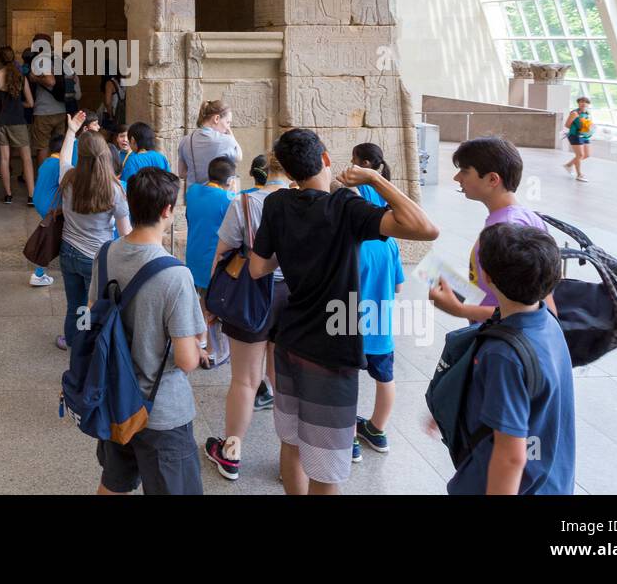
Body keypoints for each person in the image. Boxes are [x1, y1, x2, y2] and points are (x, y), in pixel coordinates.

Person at [247, 129, 438, 495]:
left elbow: (258, 268)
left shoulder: (276, 204)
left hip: (288, 341)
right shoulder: (345, 208)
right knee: (327, 464)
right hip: (332, 353)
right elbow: (426, 229)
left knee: (291, 442)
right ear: (326, 159)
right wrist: (374, 177)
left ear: (287, 173)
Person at [93, 167, 206, 495]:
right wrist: (200, 347)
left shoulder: (105, 254)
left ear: (128, 201)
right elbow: (186, 361)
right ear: (168, 210)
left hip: (116, 399)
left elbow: (91, 318)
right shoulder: (175, 275)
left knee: (113, 483)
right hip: (162, 411)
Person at [447, 222, 575, 495]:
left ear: (489, 278)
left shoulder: (504, 355)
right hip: (550, 481)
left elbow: (511, 456)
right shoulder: (546, 319)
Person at [203, 153, 292, 482]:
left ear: (265, 170)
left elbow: (222, 254)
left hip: (250, 296)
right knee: (282, 378)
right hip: (293, 298)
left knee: (244, 379)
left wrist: (213, 302)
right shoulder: (306, 203)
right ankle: (290, 459)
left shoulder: (244, 204)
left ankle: (232, 453)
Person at [428, 137, 555, 325]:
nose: (457, 178)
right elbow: (544, 299)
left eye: (464, 171)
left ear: (492, 179)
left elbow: (524, 309)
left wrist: (458, 309)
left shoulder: (506, 230)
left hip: (502, 338)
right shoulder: (525, 217)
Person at [348, 143, 405, 461]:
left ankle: (350, 437)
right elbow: (398, 287)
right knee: (385, 378)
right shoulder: (390, 244)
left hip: (347, 324)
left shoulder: (353, 246)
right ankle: (377, 429)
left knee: (348, 380)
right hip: (380, 327)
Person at [57, 110, 131, 351]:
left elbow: (63, 158)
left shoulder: (68, 179)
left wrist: (71, 131)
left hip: (68, 251)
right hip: (96, 257)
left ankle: (73, 341)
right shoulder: (114, 189)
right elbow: (126, 233)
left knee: (75, 305)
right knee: (94, 305)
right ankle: (89, 347)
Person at [183, 155, 236, 370]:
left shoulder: (193, 191)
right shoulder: (227, 200)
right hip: (212, 261)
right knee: (212, 305)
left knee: (200, 301)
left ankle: (200, 340)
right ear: (230, 178)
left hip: (193, 254)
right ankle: (215, 352)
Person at [0, 46, 36, 206]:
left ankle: (8, 195)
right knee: (27, 159)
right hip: (19, 121)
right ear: (13, 58)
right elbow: (31, 103)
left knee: (4, 159)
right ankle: (31, 196)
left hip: (2, 121)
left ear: (0, 59)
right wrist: (17, 104)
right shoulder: (22, 77)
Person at [26, 133, 64, 289]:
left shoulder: (47, 162)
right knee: (53, 238)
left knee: (54, 235)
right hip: (52, 207)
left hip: (40, 203)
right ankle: (38, 273)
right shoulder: (60, 164)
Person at [29, 33, 71, 168]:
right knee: (58, 146)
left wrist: (35, 78)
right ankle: (57, 174)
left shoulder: (41, 60)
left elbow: (50, 81)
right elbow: (73, 77)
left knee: (42, 146)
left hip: (44, 111)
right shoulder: (59, 59)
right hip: (60, 109)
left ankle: (43, 178)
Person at [177, 100, 242, 185]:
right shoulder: (226, 141)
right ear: (216, 118)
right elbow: (239, 157)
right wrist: (231, 135)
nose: (228, 127)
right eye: (228, 122)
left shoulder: (186, 140)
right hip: (216, 196)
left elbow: (182, 173)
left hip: (193, 195)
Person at [119, 122, 170, 187]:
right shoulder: (161, 157)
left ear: (132, 140)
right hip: (161, 197)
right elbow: (169, 181)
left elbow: (127, 186)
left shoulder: (132, 160)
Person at [563, 96, 594, 182]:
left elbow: (587, 123)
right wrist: (577, 128)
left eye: (586, 102)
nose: (583, 103)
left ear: (588, 104)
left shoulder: (587, 113)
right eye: (581, 102)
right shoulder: (575, 113)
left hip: (585, 135)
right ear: (578, 103)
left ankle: (569, 165)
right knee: (580, 155)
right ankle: (579, 175)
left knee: (587, 155)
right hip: (575, 135)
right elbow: (567, 125)